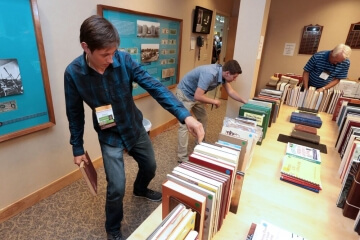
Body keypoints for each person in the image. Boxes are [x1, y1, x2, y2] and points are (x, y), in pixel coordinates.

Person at [64, 15, 204, 240]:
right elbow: (74, 113)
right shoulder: (73, 73)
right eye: (104, 54)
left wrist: (185, 116)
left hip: (133, 127)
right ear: (86, 47)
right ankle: (113, 230)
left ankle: (140, 189)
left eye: (113, 52)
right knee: (116, 187)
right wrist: (77, 148)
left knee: (150, 166)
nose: (111, 59)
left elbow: (156, 88)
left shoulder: (124, 60)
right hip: (108, 134)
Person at [175, 60, 247, 163]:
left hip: (196, 94)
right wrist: (214, 101)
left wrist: (244, 101)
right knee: (184, 126)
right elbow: (198, 96)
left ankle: (199, 146)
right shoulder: (210, 73)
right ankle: (182, 157)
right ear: (227, 73)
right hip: (185, 94)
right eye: (234, 77)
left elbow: (231, 91)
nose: (235, 80)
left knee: (203, 118)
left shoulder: (222, 74)